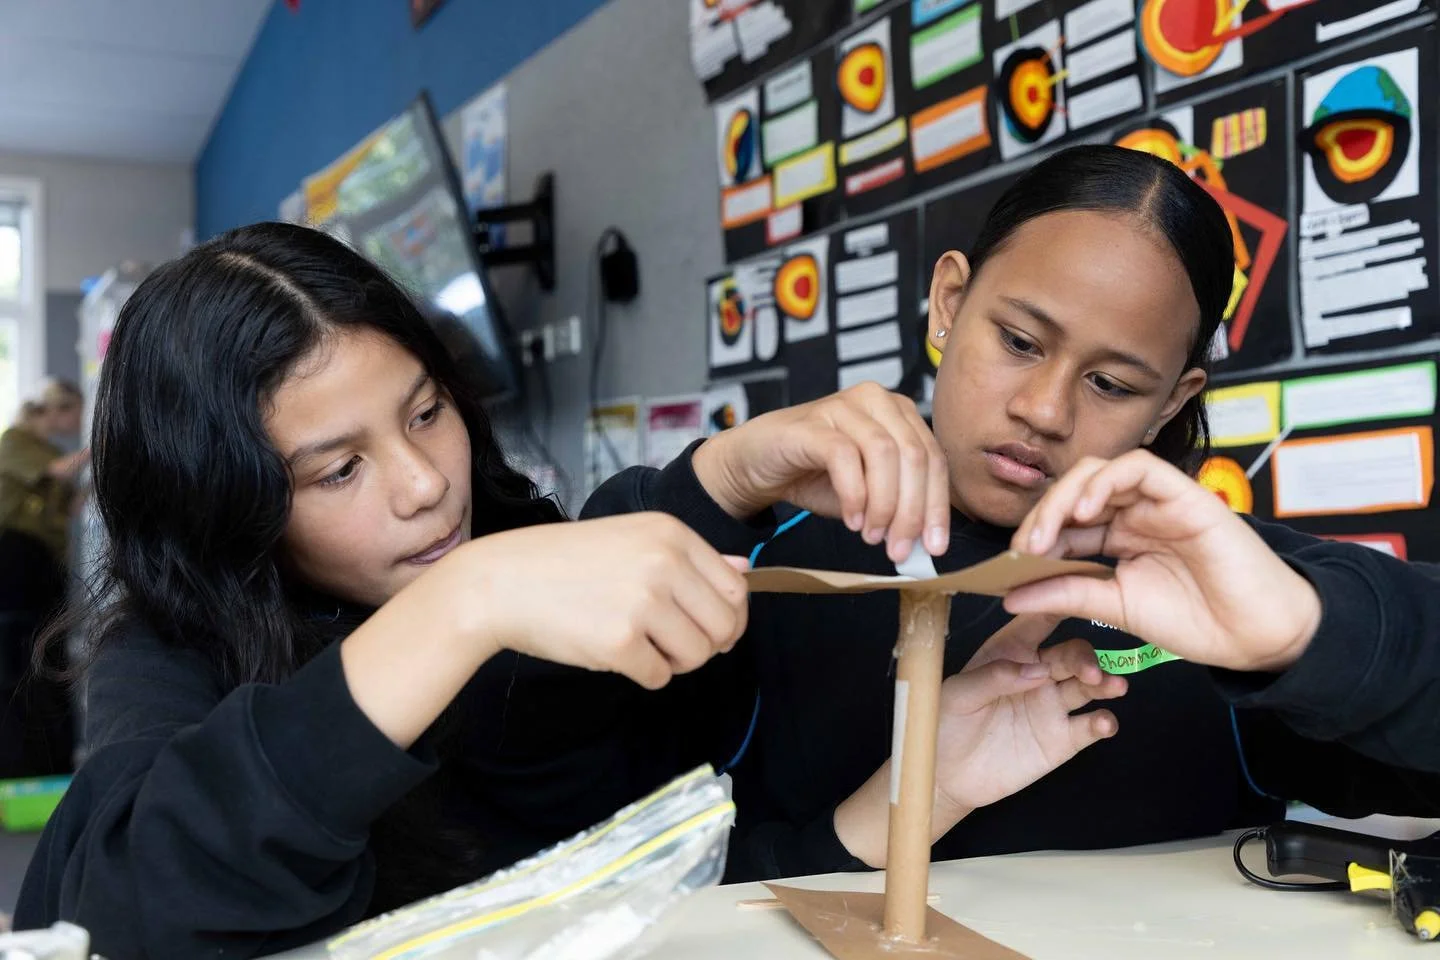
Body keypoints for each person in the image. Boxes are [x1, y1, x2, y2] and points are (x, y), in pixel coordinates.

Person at [13, 223, 1099, 957]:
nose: (426, 484)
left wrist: (925, 783)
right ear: (229, 505)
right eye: (338, 470)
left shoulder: (523, 545)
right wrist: (462, 603)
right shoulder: (171, 654)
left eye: (426, 409)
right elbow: (127, 905)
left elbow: (645, 869)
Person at [586, 144, 1440, 881]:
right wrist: (717, 485)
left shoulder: (1222, 592)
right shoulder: (769, 545)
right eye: (1020, 341)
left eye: (1111, 384)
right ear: (950, 304)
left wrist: (1305, 636)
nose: (1043, 409)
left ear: (1170, 402)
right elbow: (556, 801)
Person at [0, 383, 87, 776]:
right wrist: (100, 447)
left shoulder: (50, 449)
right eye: (76, 413)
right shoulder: (14, 442)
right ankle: (22, 765)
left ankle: (48, 761)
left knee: (46, 655)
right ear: (55, 410)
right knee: (19, 660)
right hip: (15, 560)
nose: (78, 422)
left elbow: (71, 504)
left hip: (43, 564)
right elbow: (56, 473)